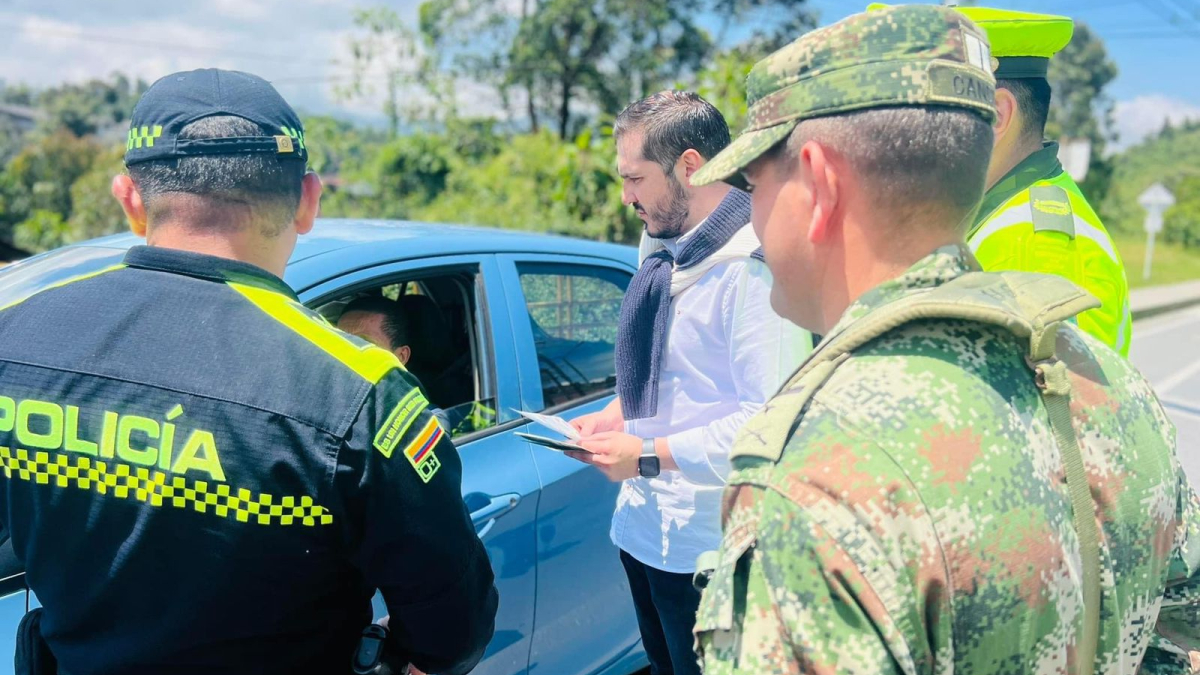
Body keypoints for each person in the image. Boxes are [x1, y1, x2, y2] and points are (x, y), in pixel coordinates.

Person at [688, 6, 1196, 674]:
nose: (749, 221)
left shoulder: (816, 473)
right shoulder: (1123, 392)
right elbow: (1177, 628)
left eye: (753, 184)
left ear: (819, 181)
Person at [0, 68, 497, 675]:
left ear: (129, 199)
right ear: (309, 200)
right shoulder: (361, 392)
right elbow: (453, 632)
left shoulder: (13, 335)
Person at [567, 91, 811, 675]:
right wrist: (616, 414)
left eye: (635, 179)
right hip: (643, 532)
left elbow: (768, 426)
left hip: (709, 553)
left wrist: (648, 454)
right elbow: (673, 377)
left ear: (691, 166)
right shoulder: (663, 246)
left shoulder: (751, 267)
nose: (625, 197)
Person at [872, 4, 1132, 356]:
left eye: (922, 110)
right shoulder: (999, 216)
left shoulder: (1031, 247)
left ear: (994, 116)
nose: (900, 130)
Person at [337, 295, 452, 431]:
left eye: (364, 345)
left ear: (401, 356)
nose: (347, 356)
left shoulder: (424, 422)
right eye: (341, 344)